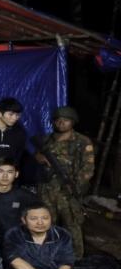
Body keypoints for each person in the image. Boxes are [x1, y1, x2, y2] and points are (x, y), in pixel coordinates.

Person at [4, 202, 98, 269]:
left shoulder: (62, 234)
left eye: (45, 218)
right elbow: (15, 261)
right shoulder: (14, 234)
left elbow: (66, 262)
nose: (40, 222)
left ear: (51, 219)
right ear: (24, 220)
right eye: (34, 219)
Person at [35, 106, 94, 259]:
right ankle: (48, 257)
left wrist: (74, 187)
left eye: (66, 120)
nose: (61, 123)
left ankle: (76, 260)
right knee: (46, 225)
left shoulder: (82, 141)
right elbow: (37, 158)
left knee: (72, 225)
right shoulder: (46, 140)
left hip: (68, 192)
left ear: (73, 122)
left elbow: (88, 169)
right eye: (58, 120)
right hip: (46, 190)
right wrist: (38, 158)